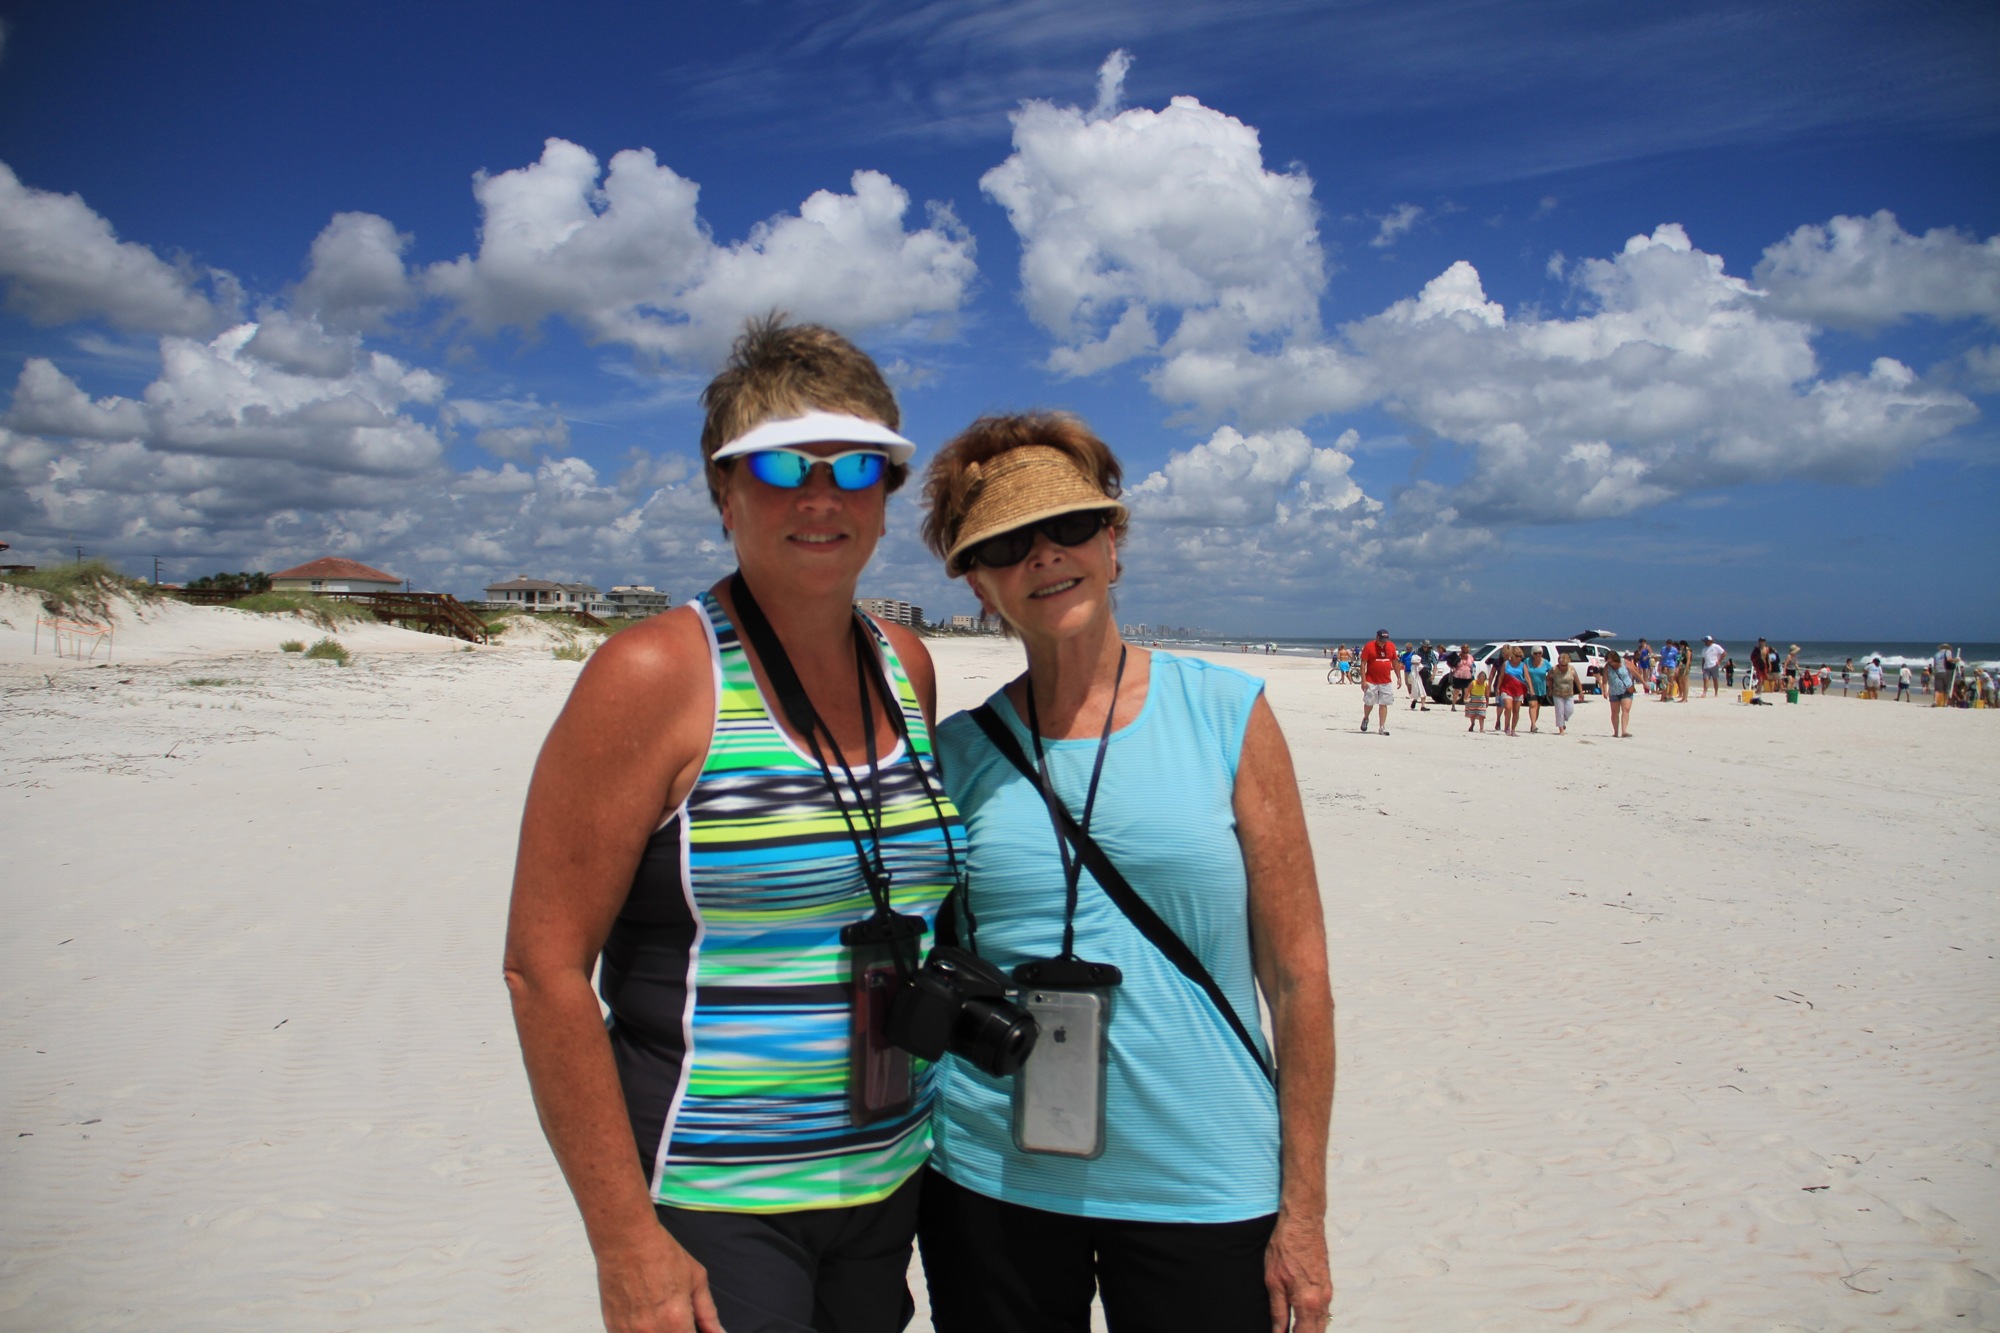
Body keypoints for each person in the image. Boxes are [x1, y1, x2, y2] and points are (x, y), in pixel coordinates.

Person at [504, 319, 960, 1333]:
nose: (818, 495)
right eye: (776, 465)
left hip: (887, 1178)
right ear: (721, 494)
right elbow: (542, 969)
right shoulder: (656, 676)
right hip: (714, 1198)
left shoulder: (905, 664)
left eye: (855, 466)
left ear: (887, 494)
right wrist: (623, 1244)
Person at [914, 413, 1335, 1333]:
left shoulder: (1228, 714)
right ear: (979, 584)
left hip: (1204, 1179)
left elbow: (1300, 979)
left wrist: (1304, 1211)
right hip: (992, 1177)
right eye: (1008, 544)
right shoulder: (956, 755)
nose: (1045, 556)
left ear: (1114, 543)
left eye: (1069, 527)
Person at [1359, 628, 1399, 735]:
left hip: (1386, 681)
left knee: (1383, 703)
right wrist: (1363, 680)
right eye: (1381, 640)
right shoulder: (1369, 646)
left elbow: (1395, 662)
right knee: (1369, 702)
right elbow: (1363, 664)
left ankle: (1382, 727)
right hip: (1371, 680)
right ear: (1376, 637)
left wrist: (1399, 677)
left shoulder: (1391, 646)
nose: (1383, 642)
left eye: (1385, 640)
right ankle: (1366, 717)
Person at [1547, 651, 1581, 734]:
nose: (1563, 667)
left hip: (1569, 693)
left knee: (1570, 710)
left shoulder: (1571, 669)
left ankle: (1562, 721)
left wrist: (1581, 692)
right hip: (1557, 693)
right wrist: (1550, 689)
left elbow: (1577, 681)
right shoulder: (1554, 669)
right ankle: (1561, 729)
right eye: (1561, 665)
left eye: (1565, 665)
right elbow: (1549, 678)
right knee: (1559, 711)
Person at [1603, 649, 1634, 737]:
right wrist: (1604, 691)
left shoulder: (1624, 663)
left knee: (1626, 710)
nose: (1610, 661)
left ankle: (1624, 731)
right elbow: (1604, 680)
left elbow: (1635, 672)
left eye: (1611, 660)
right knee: (1614, 712)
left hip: (1626, 690)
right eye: (1608, 659)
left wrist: (1644, 683)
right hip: (1614, 692)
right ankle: (1616, 732)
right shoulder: (1607, 667)